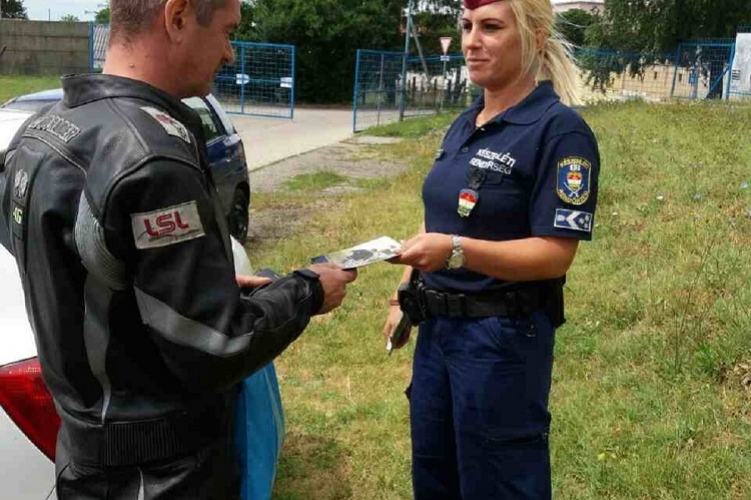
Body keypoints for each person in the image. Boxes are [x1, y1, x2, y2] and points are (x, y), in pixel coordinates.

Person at [0, 0, 357, 498]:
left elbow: (74, 269)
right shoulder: (151, 155)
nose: (230, 53)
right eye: (228, 31)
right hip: (160, 476)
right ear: (178, 17)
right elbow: (216, 344)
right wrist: (308, 291)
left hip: (84, 466)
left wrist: (179, 282)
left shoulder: (40, 130)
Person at [382, 0, 600, 499]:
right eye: (466, 27)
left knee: (499, 484)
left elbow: (555, 253)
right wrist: (403, 294)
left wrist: (457, 251)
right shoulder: (465, 123)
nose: (471, 41)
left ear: (536, 37)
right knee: (435, 477)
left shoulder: (560, 131)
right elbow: (438, 216)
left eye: (491, 27)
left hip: (501, 342)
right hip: (437, 335)